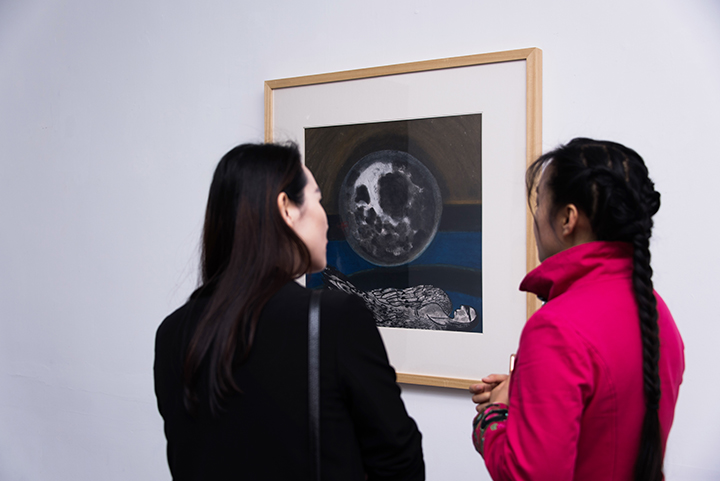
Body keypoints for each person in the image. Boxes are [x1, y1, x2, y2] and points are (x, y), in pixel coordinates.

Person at [154, 142, 424, 480]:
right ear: (286, 208)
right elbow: (400, 463)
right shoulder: (336, 319)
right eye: (318, 200)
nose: (328, 220)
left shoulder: (172, 333)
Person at [469, 138, 684, 481]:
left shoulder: (556, 327)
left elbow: (529, 476)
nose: (535, 219)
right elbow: (609, 415)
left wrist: (494, 416)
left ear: (567, 218)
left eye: (539, 203)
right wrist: (531, 392)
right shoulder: (656, 311)